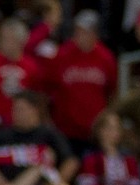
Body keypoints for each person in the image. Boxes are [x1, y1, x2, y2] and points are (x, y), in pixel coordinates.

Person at [43, 10, 116, 153]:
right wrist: (48, 120)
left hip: (94, 131)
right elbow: (46, 89)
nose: (80, 36)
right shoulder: (62, 54)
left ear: (95, 34)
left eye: (85, 32)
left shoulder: (106, 58)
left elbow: (112, 92)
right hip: (65, 128)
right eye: (78, 31)